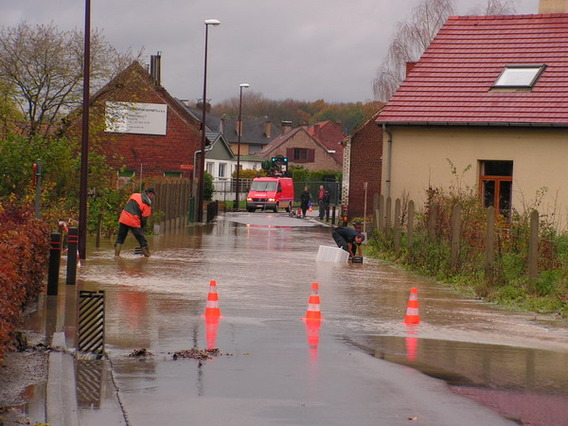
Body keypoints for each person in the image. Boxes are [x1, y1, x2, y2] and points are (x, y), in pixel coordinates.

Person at [114, 187, 156, 257]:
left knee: (120, 238)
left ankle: (116, 256)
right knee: (141, 239)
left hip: (123, 218)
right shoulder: (147, 206)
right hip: (134, 221)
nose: (153, 197)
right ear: (150, 194)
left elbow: (127, 205)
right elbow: (144, 219)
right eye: (153, 195)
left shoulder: (134, 195)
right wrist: (142, 227)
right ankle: (147, 256)